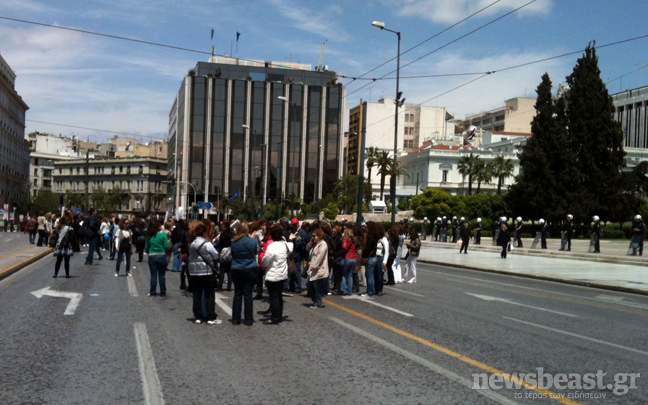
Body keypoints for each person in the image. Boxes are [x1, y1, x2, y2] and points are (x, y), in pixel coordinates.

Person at [187, 221, 222, 325]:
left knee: (196, 295)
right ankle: (211, 317)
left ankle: (198, 316)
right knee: (209, 295)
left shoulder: (191, 243)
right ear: (204, 232)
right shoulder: (207, 244)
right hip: (206, 272)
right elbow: (215, 256)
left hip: (193, 272)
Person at [261, 224, 295, 324]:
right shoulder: (285, 245)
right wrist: (290, 239)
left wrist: (263, 258)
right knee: (279, 296)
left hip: (273, 273)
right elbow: (291, 247)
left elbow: (265, 261)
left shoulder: (272, 246)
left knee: (274, 297)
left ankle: (275, 317)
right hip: (282, 273)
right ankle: (279, 315)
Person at [230, 221, 259, 326]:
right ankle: (248, 319)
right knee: (248, 294)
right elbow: (255, 252)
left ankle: (235, 319)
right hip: (250, 268)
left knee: (238, 293)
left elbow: (232, 255)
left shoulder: (233, 242)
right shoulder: (253, 241)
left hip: (237, 268)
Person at [144, 218, 169, 297]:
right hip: (161, 255)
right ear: (158, 227)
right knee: (162, 275)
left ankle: (152, 291)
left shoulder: (148, 236)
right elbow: (166, 246)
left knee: (153, 275)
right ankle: (163, 292)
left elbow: (147, 248)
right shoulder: (163, 236)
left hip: (152, 256)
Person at [307, 229, 329, 308]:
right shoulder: (315, 244)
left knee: (317, 287)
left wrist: (314, 266)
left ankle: (318, 302)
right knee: (309, 285)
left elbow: (320, 256)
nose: (313, 237)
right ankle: (315, 300)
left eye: (314, 236)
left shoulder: (323, 244)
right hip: (312, 268)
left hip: (319, 269)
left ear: (319, 236)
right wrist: (310, 244)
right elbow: (307, 250)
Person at [361, 221, 380, 298]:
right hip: (374, 257)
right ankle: (371, 291)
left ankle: (370, 292)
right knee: (370, 275)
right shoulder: (376, 236)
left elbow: (367, 249)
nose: (366, 228)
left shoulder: (370, 237)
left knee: (369, 276)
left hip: (370, 257)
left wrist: (364, 255)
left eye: (367, 227)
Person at [216, 220, 234, 292]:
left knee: (222, 270)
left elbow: (220, 244)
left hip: (223, 252)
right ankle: (229, 287)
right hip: (230, 252)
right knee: (229, 271)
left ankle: (220, 286)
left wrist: (218, 241)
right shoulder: (232, 233)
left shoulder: (223, 234)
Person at [339, 227, 356, 296]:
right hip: (353, 258)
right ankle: (350, 290)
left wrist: (342, 252)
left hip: (347, 257)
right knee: (350, 275)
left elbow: (344, 247)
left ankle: (343, 289)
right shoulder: (353, 240)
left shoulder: (345, 240)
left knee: (344, 274)